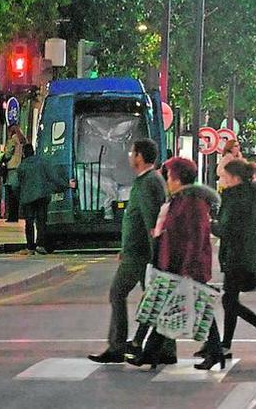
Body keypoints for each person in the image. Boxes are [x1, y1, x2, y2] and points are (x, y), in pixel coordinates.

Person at [130, 157, 220, 369]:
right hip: (174, 263)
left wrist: (188, 268)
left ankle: (213, 352)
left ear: (179, 178)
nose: (167, 180)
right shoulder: (179, 199)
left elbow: (196, 237)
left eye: (169, 176)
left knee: (198, 307)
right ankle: (150, 352)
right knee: (168, 307)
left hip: (188, 265)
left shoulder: (193, 202)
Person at [89, 139, 166, 364]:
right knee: (152, 299)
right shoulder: (148, 180)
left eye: (133, 152)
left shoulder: (148, 182)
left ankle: (119, 347)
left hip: (141, 254)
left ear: (140, 157)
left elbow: (152, 222)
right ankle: (159, 348)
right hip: (136, 252)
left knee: (121, 294)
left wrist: (156, 256)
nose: (130, 156)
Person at [202, 158, 256, 370]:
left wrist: (210, 224)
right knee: (230, 300)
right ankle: (228, 343)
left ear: (235, 178)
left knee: (230, 301)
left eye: (224, 177)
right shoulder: (250, 195)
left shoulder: (236, 198)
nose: (222, 180)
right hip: (244, 253)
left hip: (238, 255)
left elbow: (227, 229)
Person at [15, 142, 71, 254]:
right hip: (42, 196)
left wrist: (20, 197)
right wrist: (66, 184)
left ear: (24, 153)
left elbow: (17, 185)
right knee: (41, 222)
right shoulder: (43, 162)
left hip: (28, 198)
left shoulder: (22, 166)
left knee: (29, 223)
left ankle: (30, 247)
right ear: (33, 151)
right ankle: (40, 245)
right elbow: (53, 177)